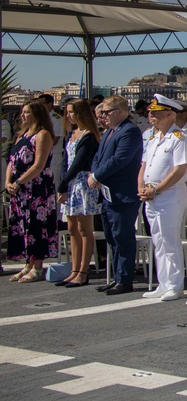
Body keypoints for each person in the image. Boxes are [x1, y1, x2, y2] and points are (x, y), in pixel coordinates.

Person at [138, 94, 187, 302]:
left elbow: (180, 170)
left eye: (157, 114)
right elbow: (144, 165)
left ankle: (175, 284)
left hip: (169, 194)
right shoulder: (153, 138)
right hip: (151, 195)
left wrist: (157, 189)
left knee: (170, 240)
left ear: (170, 114)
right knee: (158, 241)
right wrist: (141, 187)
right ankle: (163, 282)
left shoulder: (179, 138)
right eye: (151, 113)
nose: (151, 116)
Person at [88, 95, 144, 295]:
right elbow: (99, 157)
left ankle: (125, 279)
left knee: (122, 237)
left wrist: (97, 175)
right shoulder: (109, 133)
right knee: (111, 237)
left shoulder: (130, 132)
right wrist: (94, 173)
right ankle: (117, 276)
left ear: (121, 111)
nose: (103, 116)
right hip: (108, 193)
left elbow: (120, 159)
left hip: (123, 193)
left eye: (106, 112)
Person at [5, 101, 57, 283]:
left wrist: (19, 181)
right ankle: (28, 262)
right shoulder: (22, 136)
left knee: (36, 225)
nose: (23, 116)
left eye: (27, 112)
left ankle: (37, 265)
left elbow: (38, 164)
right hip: (20, 189)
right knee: (22, 225)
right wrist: (8, 182)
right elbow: (12, 161)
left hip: (36, 187)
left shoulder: (42, 135)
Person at [55, 99, 102, 288]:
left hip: (82, 183)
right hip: (70, 183)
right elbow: (66, 161)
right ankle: (74, 269)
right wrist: (63, 183)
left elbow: (79, 163)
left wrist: (63, 184)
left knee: (84, 229)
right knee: (72, 228)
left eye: (73, 112)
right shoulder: (71, 134)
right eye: (67, 112)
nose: (69, 116)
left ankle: (83, 271)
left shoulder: (89, 136)